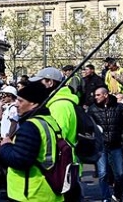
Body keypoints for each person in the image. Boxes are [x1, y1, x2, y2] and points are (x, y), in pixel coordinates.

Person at [0, 81, 64, 202]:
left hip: (30, 193)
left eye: (21, 101)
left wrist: (5, 146)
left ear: (33, 104)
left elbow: (19, 160)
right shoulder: (48, 121)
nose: (16, 104)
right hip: (47, 191)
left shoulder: (30, 126)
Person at [31, 67, 81, 201]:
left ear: (50, 83)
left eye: (39, 82)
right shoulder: (55, 102)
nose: (37, 86)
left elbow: (57, 137)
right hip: (62, 165)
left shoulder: (59, 105)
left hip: (62, 166)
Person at [88, 87, 123, 202]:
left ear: (105, 95)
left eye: (98, 95)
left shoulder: (119, 108)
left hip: (116, 145)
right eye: (95, 95)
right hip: (101, 146)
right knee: (102, 173)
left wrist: (122, 138)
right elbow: (89, 126)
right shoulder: (92, 109)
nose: (95, 97)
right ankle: (106, 197)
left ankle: (117, 194)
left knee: (120, 174)